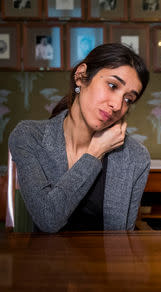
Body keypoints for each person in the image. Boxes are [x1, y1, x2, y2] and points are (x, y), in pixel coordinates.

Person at [8, 43, 151, 233]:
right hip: (44, 261)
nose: (117, 105)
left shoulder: (135, 156)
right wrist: (95, 153)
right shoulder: (29, 136)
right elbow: (48, 219)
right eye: (112, 85)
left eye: (128, 99)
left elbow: (121, 239)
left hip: (107, 263)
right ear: (81, 76)